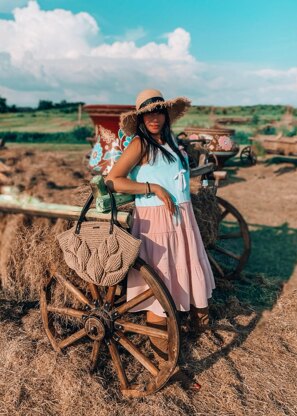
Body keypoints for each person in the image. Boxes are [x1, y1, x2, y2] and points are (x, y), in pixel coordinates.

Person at [106, 89, 215, 358]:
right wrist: (151, 186)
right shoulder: (140, 144)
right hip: (157, 221)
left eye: (158, 111)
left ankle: (191, 325)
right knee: (161, 279)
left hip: (181, 219)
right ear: (141, 119)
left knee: (183, 270)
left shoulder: (169, 143)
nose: (154, 117)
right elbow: (113, 179)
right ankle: (164, 354)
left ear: (165, 114)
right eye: (148, 113)